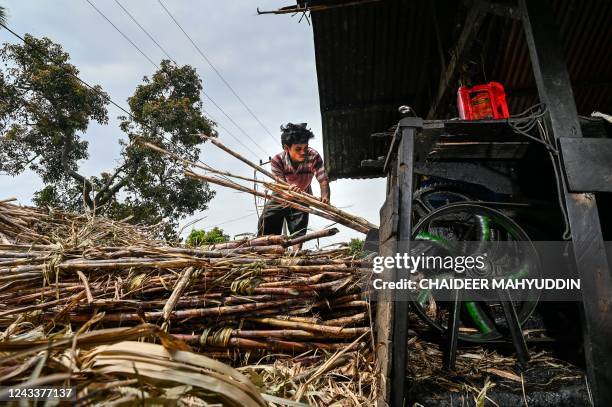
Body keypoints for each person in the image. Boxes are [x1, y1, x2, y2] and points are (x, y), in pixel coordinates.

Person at [257, 123, 330, 238]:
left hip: (303, 194)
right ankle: (267, 247)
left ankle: (296, 253)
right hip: (281, 194)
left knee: (299, 231)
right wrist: (288, 191)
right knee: (268, 218)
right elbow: (281, 186)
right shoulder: (277, 161)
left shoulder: (313, 156)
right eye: (298, 149)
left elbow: (323, 180)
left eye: (305, 148)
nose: (303, 152)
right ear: (287, 148)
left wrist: (325, 198)